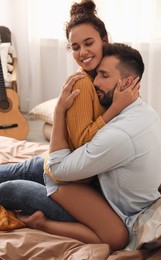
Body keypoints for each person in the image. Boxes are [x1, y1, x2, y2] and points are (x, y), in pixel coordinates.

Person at [0, 42, 161, 251]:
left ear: (129, 82)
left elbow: (58, 171)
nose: (95, 82)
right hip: (86, 184)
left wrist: (60, 111)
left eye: (104, 76)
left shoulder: (120, 134)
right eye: (96, 74)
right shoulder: (145, 112)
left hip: (75, 188)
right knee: (28, 167)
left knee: (10, 189)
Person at [0, 0, 137, 186]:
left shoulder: (114, 75)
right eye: (75, 47)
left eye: (89, 43)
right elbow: (83, 147)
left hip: (70, 168)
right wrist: (115, 108)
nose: (83, 52)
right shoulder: (81, 83)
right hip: (59, 170)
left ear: (104, 40)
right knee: (11, 178)